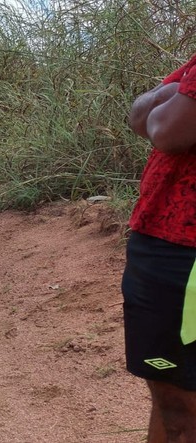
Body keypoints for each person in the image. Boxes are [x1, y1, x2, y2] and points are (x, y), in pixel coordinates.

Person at [124, 53, 196, 442]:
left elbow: (166, 131)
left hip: (183, 253)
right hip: (165, 242)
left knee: (179, 401)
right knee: (169, 392)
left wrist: (167, 94)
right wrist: (174, 89)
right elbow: (139, 118)